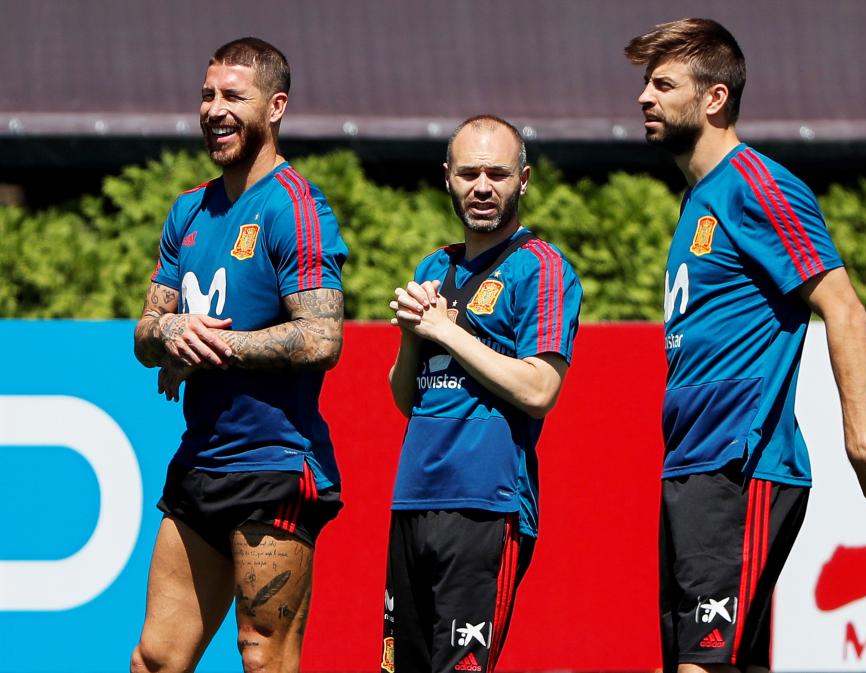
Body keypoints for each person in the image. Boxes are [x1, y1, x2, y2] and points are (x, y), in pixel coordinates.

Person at [622, 18, 866, 673]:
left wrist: (859, 440)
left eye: (663, 83)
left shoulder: (758, 183)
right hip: (692, 466)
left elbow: (843, 305)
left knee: (699, 664)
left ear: (714, 99)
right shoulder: (699, 199)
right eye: (645, 83)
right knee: (725, 661)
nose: (644, 97)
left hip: (741, 462)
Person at [131, 37, 348, 673]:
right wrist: (170, 333)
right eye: (207, 95)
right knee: (156, 660)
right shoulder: (188, 210)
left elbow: (321, 338)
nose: (214, 109)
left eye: (233, 96)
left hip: (275, 468)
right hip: (200, 461)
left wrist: (211, 343)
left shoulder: (296, 206)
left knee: (262, 657)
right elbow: (146, 333)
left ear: (275, 107)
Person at [381, 115, 582, 673]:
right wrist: (410, 332)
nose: (483, 187)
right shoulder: (433, 265)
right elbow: (406, 398)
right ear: (447, 177)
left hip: (485, 502)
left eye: (498, 173)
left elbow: (541, 389)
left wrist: (447, 330)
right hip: (413, 497)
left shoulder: (540, 266)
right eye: (469, 173)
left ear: (524, 179)